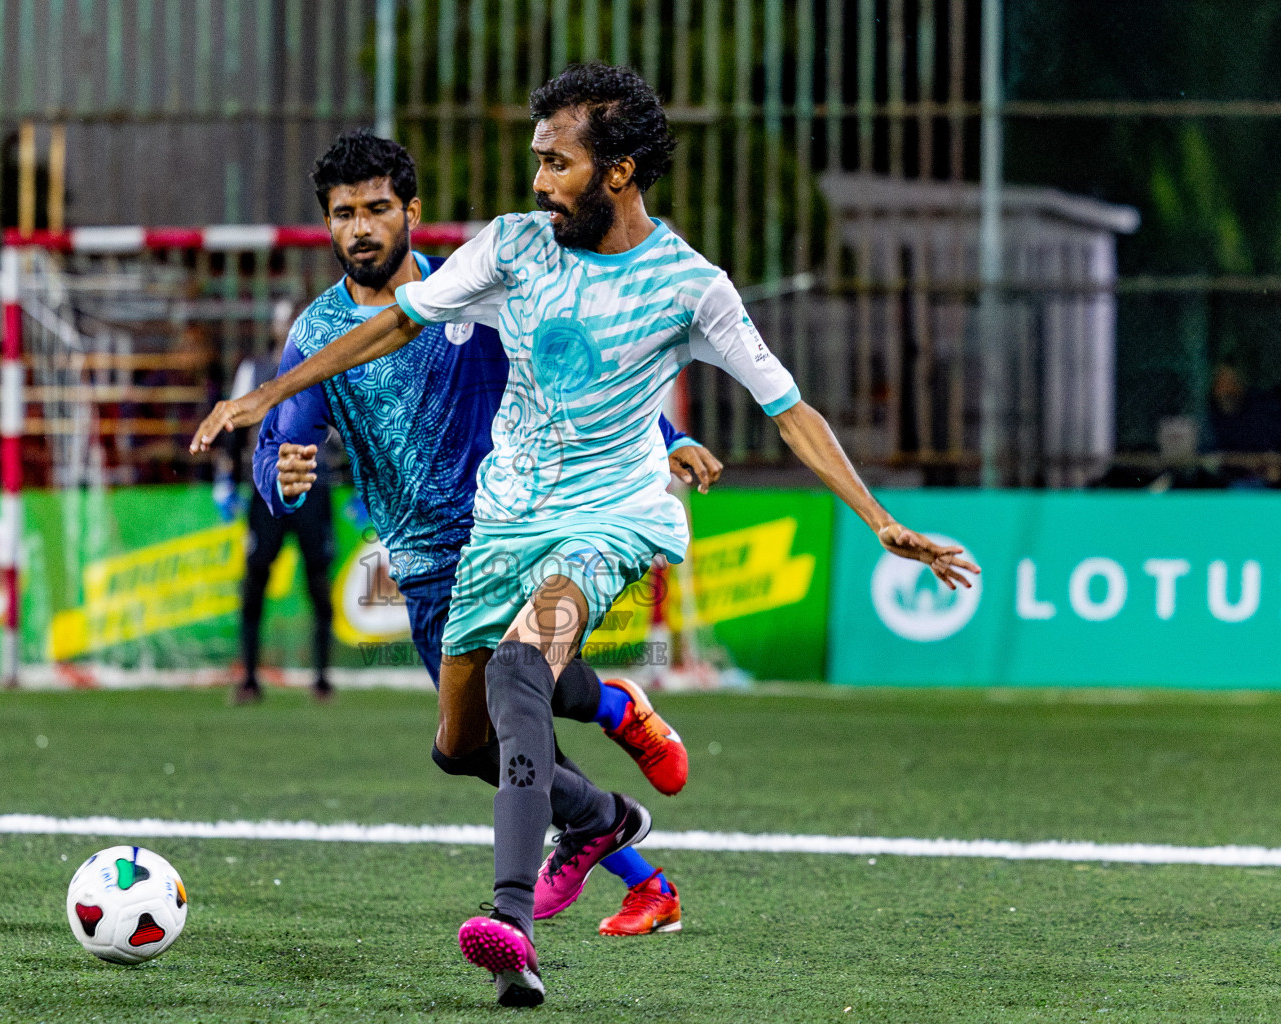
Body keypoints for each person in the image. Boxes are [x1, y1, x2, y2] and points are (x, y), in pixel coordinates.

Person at [194, 64, 979, 1007]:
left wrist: (873, 517)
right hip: (484, 533)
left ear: (619, 170)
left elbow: (748, 402)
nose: (536, 180)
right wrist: (271, 424)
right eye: (341, 212)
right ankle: (613, 778)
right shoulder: (496, 259)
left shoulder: (676, 286)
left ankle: (512, 924)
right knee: (459, 746)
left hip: (605, 520)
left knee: (523, 673)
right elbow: (371, 365)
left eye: (555, 162)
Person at [224, 128, 708, 934]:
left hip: (515, 536)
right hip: (421, 571)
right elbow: (280, 437)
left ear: (411, 212)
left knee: (513, 714)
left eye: (377, 208)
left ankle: (565, 877)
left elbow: (579, 381)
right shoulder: (318, 336)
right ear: (328, 225)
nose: (361, 229)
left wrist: (669, 435)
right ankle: (627, 792)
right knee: (475, 747)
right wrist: (278, 473)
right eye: (344, 214)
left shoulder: (474, 298)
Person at [216, 298, 336, 703]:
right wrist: (228, 479)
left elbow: (349, 429)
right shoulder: (254, 371)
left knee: (319, 582)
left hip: (314, 487)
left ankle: (321, 678)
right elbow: (233, 427)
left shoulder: (327, 367)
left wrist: (356, 481)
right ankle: (248, 676)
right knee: (255, 581)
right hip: (267, 489)